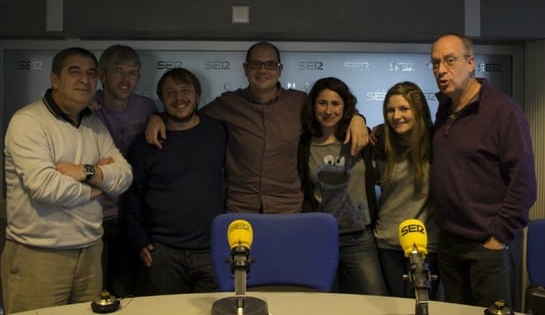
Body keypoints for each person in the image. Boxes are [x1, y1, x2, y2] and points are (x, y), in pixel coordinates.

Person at [145, 41, 368, 213]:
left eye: (270, 64)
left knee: (283, 272)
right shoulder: (228, 103)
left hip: (287, 209)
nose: (263, 70)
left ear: (279, 70)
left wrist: (358, 119)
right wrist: (158, 117)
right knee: (241, 273)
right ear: (245, 68)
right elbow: (187, 114)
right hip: (240, 209)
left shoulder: (300, 102)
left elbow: (331, 111)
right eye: (255, 64)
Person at [1, 47, 133, 314]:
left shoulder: (93, 125)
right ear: (54, 79)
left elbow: (124, 177)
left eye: (91, 73)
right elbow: (46, 188)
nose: (84, 80)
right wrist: (100, 182)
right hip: (38, 256)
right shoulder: (28, 121)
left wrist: (85, 172)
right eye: (75, 72)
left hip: (90, 252)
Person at [430, 33, 536, 308]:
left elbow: (523, 184)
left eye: (450, 61)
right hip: (451, 245)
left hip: (488, 247)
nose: (441, 70)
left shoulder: (503, 111)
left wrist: (498, 237)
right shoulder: (445, 111)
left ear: (471, 63)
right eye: (435, 63)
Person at [122, 68, 226, 295]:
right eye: (170, 93)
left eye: (185, 91)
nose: (179, 98)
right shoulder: (144, 144)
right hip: (162, 254)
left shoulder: (217, 131)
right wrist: (138, 238)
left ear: (198, 96)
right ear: (161, 99)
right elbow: (130, 194)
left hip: (212, 250)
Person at [297, 77, 387, 295]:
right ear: (313, 106)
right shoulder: (304, 144)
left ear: (345, 107)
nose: (329, 110)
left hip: (359, 238)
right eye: (322, 103)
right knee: (321, 306)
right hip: (320, 239)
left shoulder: (360, 137)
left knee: (377, 302)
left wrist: (359, 119)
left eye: (335, 104)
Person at [94, 44, 158, 297]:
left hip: (130, 216)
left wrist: (158, 117)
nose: (126, 79)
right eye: (118, 71)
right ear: (102, 75)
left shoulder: (146, 107)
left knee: (126, 294)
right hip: (93, 216)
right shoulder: (89, 104)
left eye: (132, 73)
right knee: (91, 293)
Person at [372, 81, 440, 299]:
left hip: (426, 244)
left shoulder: (438, 144)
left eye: (404, 109)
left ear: (418, 111)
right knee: (396, 306)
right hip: (388, 241)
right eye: (390, 110)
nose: (396, 115)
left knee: (423, 304)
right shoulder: (381, 144)